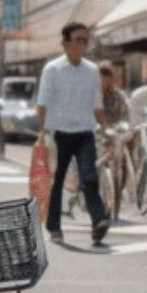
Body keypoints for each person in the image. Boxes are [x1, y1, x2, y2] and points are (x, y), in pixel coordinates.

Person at [36, 22, 108, 245]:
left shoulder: (92, 70)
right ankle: (54, 227)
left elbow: (97, 104)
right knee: (57, 182)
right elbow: (42, 104)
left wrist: (105, 129)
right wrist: (42, 135)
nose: (83, 45)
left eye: (86, 40)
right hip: (59, 134)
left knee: (89, 178)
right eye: (78, 40)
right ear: (65, 43)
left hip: (85, 132)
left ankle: (98, 220)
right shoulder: (52, 69)